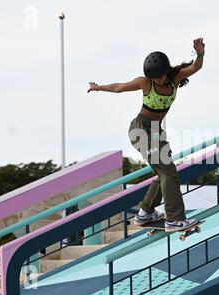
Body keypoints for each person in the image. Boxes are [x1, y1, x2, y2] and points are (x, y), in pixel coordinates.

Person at [87, 38, 205, 232]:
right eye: (154, 78)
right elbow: (119, 87)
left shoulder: (175, 78)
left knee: (165, 172)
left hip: (156, 131)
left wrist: (200, 52)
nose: (157, 80)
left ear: (166, 72)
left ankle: (145, 213)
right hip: (140, 129)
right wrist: (98, 87)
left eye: (159, 77)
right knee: (167, 171)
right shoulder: (144, 83)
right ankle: (175, 219)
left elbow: (196, 67)